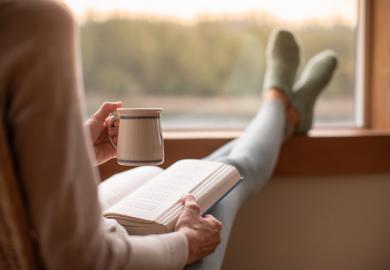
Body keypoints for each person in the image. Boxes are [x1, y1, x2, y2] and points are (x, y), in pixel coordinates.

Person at [0, 0, 337, 269]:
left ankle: (282, 110)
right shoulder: (31, 24)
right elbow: (81, 260)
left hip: (75, 237)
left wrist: (75, 155)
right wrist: (186, 243)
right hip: (111, 254)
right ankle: (279, 106)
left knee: (205, 177)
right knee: (229, 176)